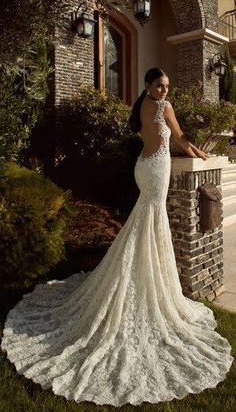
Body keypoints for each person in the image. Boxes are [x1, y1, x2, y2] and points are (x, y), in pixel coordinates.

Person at [1, 68, 234, 407]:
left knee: (145, 221)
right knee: (151, 219)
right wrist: (198, 153)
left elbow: (154, 135)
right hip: (157, 170)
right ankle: (144, 275)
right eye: (159, 85)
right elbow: (180, 137)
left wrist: (188, 148)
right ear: (148, 85)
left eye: (167, 86)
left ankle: (138, 268)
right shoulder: (162, 107)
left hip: (144, 166)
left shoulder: (141, 105)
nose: (164, 90)